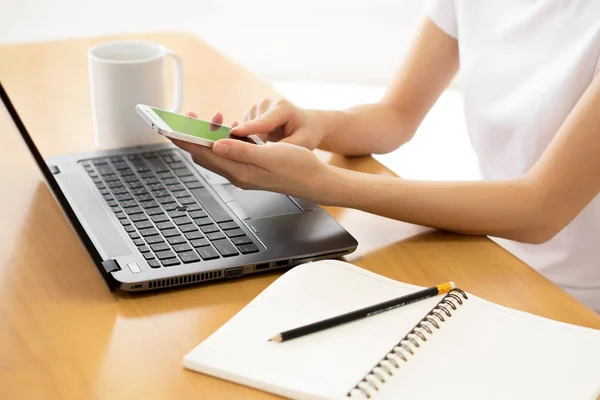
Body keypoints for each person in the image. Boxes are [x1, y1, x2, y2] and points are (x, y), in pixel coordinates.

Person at [173, 1, 600, 311]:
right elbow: (395, 115)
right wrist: (319, 123)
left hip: (577, 299)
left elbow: (541, 208)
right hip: (491, 254)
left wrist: (322, 184)